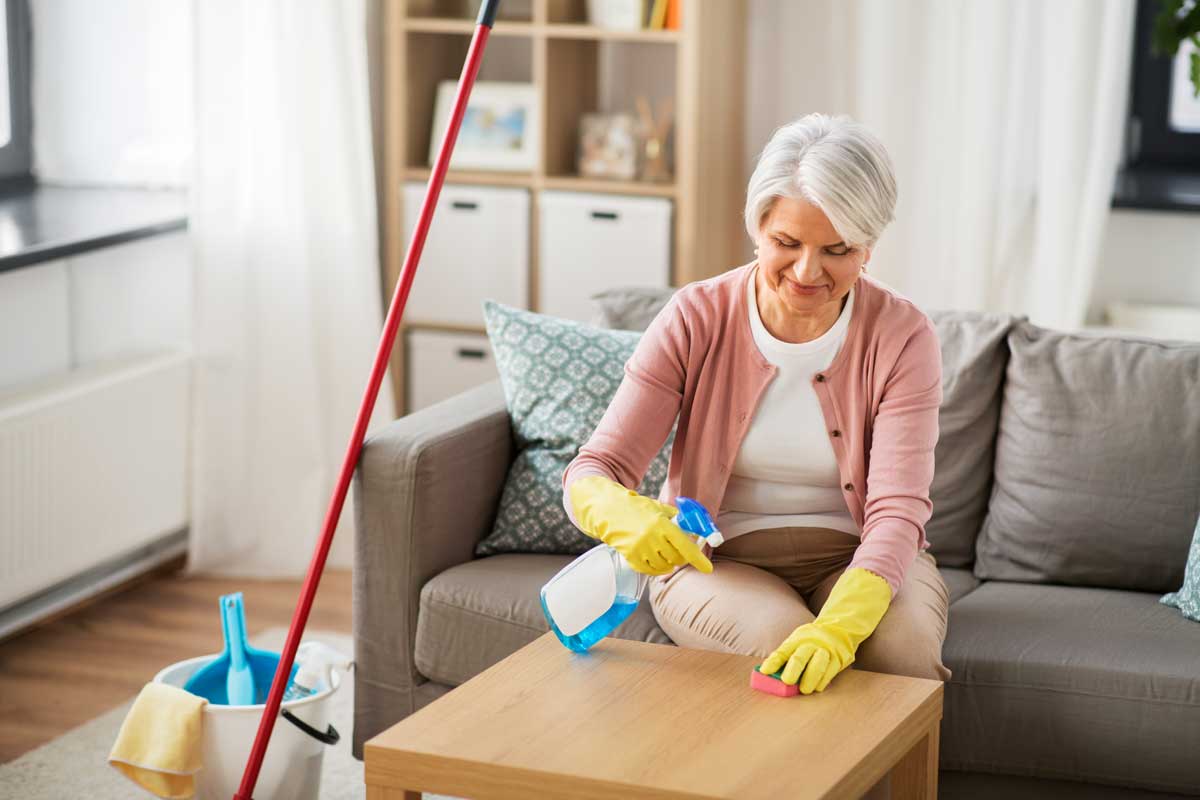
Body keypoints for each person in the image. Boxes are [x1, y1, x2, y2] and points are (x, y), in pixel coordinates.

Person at [561, 112, 952, 702]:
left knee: (902, 656)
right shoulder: (696, 317)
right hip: (720, 561)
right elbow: (593, 472)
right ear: (758, 227)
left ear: (869, 245)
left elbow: (899, 511)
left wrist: (841, 629)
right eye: (786, 243)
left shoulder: (902, 336)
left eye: (837, 249)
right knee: (783, 645)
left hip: (860, 555)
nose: (806, 272)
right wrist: (626, 516)